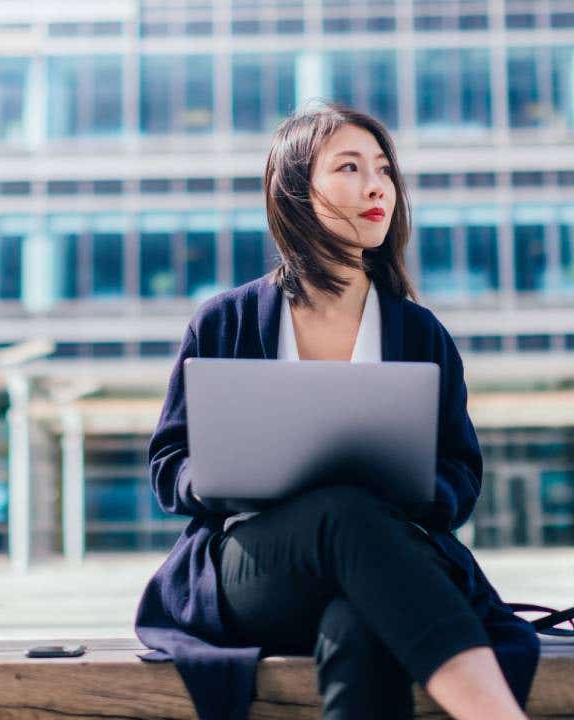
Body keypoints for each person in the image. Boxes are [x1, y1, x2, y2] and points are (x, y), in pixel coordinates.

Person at [134, 101, 539, 720]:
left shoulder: (419, 332)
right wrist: (220, 475)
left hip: (384, 559)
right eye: (349, 168)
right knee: (341, 511)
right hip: (258, 568)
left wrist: (409, 487)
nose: (376, 185)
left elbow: (461, 472)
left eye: (383, 170)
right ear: (296, 190)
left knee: (359, 623)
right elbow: (169, 464)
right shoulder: (226, 320)